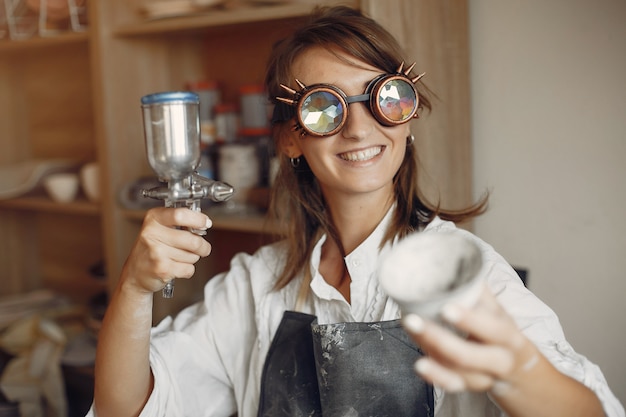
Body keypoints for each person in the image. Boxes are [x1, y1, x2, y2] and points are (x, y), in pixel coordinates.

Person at [89, 6, 624, 417]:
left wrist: (519, 368)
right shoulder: (258, 283)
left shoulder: (465, 272)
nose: (360, 127)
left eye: (383, 97)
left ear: (408, 118)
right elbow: (126, 407)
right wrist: (135, 288)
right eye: (324, 107)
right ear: (291, 139)